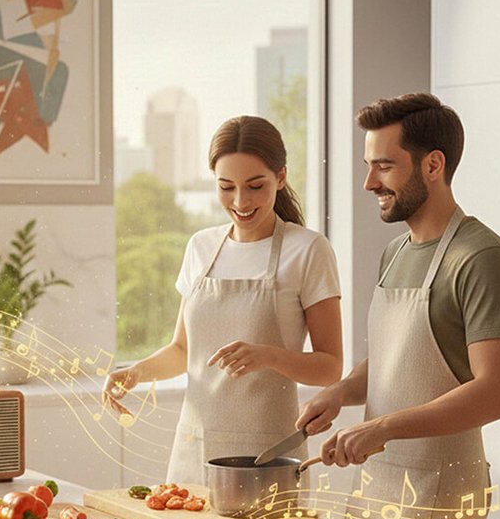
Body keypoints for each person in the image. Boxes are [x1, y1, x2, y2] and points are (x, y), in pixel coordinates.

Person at [296, 93, 500, 519]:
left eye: (384, 166)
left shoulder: (483, 259)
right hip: (377, 487)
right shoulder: (395, 252)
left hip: (440, 496)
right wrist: (341, 392)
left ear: (433, 165)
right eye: (368, 165)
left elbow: (496, 394)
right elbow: (396, 356)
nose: (369, 183)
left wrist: (382, 427)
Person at [106, 115, 343, 487]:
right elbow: (184, 351)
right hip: (194, 447)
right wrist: (135, 373)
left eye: (255, 186)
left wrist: (269, 356)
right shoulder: (201, 247)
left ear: (281, 177)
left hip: (268, 455)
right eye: (226, 186)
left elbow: (330, 367)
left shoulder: (308, 249)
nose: (240, 201)